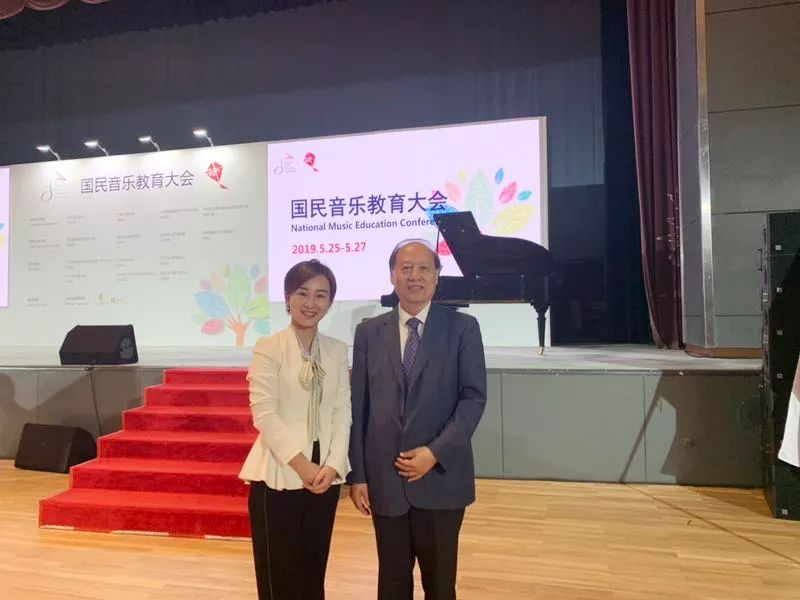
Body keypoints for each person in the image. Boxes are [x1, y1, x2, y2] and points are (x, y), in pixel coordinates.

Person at [348, 239, 487, 600]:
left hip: (440, 478)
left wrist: (434, 453)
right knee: (391, 584)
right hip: (385, 481)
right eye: (406, 268)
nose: (414, 276)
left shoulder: (463, 328)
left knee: (440, 585)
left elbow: (473, 399)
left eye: (424, 268)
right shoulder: (368, 332)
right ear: (392, 275)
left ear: (437, 277)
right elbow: (359, 407)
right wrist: (358, 475)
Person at [239, 259, 351, 600]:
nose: (310, 303)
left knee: (313, 571)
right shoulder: (269, 347)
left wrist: (333, 465)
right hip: (280, 472)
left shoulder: (336, 350)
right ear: (288, 297)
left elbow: (341, 412)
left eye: (321, 295)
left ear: (329, 303)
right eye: (302, 293)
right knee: (279, 577)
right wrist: (303, 465)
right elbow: (264, 414)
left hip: (324, 476)